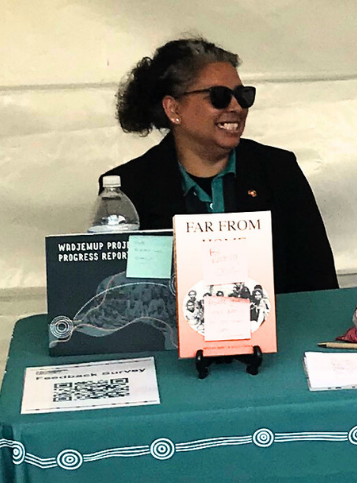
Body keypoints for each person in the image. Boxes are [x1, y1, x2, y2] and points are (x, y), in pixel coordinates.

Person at [104, 37, 338, 293]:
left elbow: (319, 284)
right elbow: (126, 296)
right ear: (173, 109)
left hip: (278, 330)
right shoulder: (128, 188)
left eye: (242, 95)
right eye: (219, 96)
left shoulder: (278, 171)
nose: (236, 106)